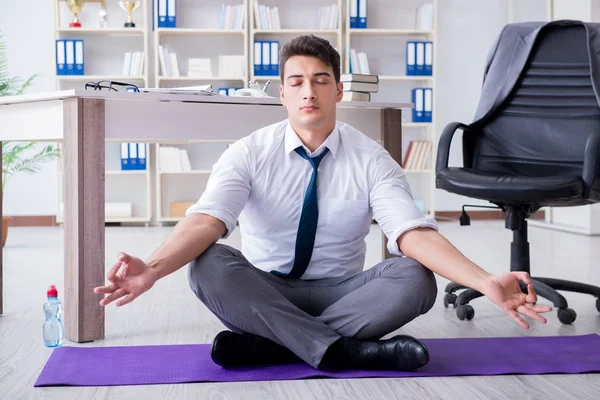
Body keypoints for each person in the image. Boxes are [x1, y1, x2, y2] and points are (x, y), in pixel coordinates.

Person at [94, 35, 552, 372]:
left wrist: (482, 278)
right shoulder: (249, 152)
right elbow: (207, 221)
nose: (309, 91)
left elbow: (411, 233)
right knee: (208, 264)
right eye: (297, 82)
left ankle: (276, 344)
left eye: (320, 80)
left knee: (413, 275)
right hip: (266, 289)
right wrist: (153, 268)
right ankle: (347, 351)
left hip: (347, 290)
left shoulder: (371, 156)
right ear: (283, 93)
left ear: (338, 91)